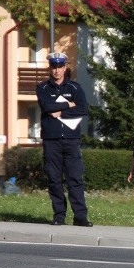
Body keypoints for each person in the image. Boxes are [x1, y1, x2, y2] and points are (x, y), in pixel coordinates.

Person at [35, 52, 93, 227]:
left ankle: (80, 216)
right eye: (54, 67)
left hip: (71, 139)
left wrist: (60, 112)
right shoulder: (42, 88)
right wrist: (68, 104)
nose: (57, 70)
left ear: (65, 68)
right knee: (54, 179)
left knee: (75, 178)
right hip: (51, 140)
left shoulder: (74, 88)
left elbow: (83, 109)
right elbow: (47, 106)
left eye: (60, 67)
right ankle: (59, 215)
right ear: (49, 68)